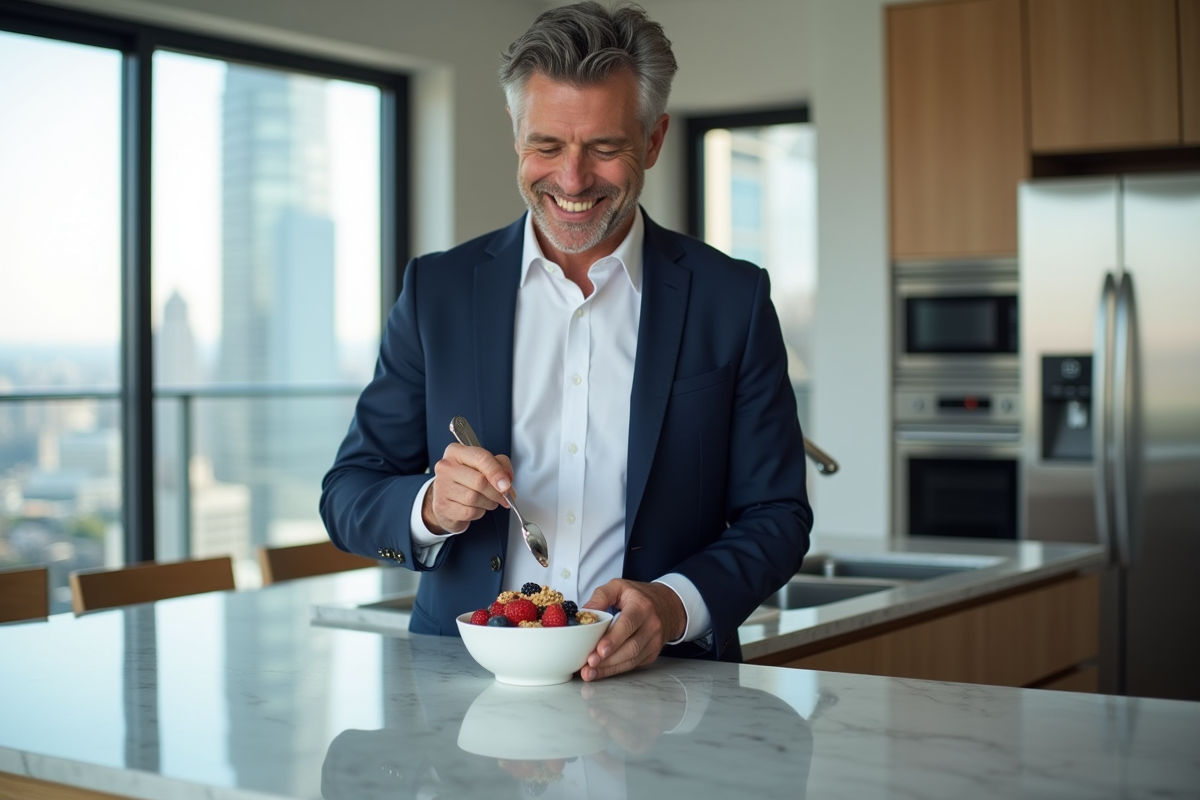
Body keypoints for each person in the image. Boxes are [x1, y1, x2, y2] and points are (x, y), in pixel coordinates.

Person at [319, 1, 812, 681]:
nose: (573, 180)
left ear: (656, 139)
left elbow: (777, 515)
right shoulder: (437, 290)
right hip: (461, 691)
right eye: (547, 145)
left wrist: (672, 605)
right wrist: (428, 508)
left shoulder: (733, 299)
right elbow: (348, 494)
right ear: (516, 133)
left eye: (605, 148)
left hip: (665, 693)